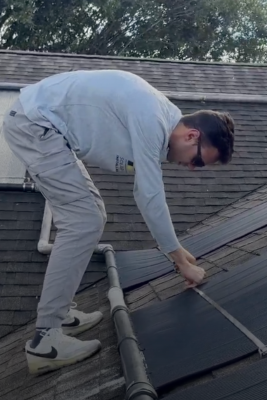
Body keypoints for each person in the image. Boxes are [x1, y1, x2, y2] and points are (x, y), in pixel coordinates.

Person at [2, 69, 235, 375]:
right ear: (192, 136)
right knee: (83, 221)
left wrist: (177, 251)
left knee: (92, 215)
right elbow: (149, 195)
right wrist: (179, 259)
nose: (193, 168)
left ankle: (61, 312)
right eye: (198, 161)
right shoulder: (153, 119)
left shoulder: (160, 119)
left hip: (45, 127)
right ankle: (45, 341)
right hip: (36, 125)